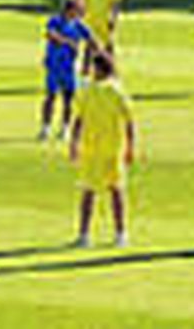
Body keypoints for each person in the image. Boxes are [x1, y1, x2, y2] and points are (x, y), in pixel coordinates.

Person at [70, 51, 135, 248]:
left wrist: (74, 144)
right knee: (115, 191)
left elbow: (78, 121)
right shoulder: (116, 90)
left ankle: (85, 235)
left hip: (93, 149)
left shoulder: (90, 90)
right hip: (111, 149)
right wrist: (130, 147)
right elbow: (129, 121)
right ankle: (120, 234)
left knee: (90, 192)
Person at [39, 0, 94, 140]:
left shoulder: (79, 26)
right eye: (78, 9)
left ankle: (65, 128)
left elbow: (92, 42)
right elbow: (50, 34)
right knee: (50, 97)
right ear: (70, 10)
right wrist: (69, 42)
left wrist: (87, 64)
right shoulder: (56, 21)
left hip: (69, 67)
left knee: (68, 99)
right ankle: (45, 128)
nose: (80, 13)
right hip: (54, 66)